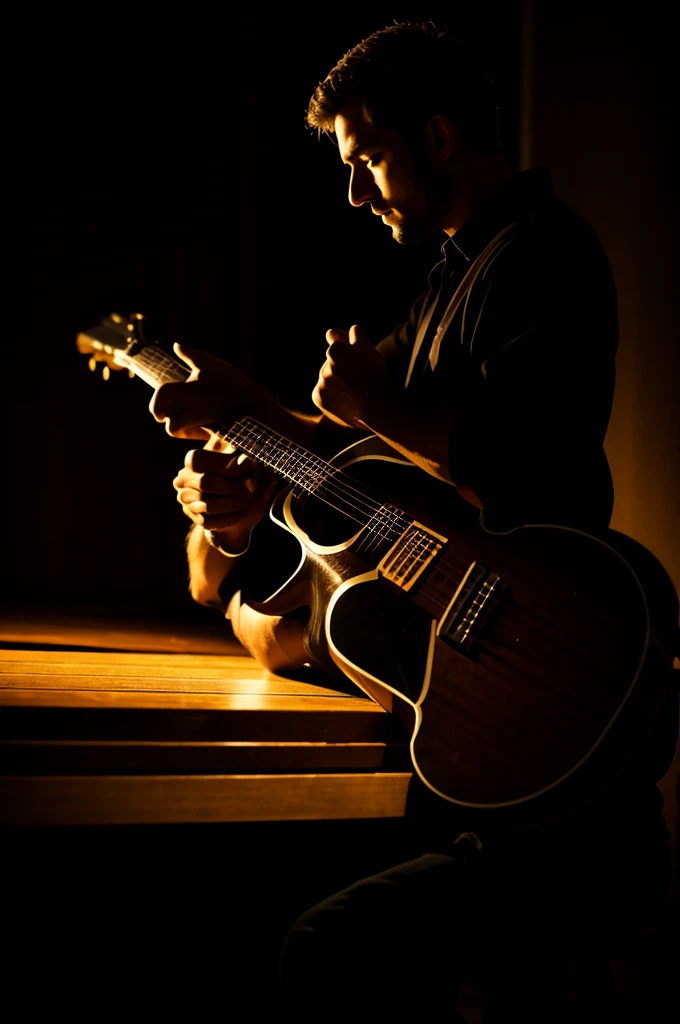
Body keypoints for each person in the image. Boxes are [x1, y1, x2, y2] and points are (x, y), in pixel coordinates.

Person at [150, 22, 677, 1018]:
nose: (355, 193)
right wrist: (239, 416)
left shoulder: (544, 255)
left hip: (555, 777)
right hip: (469, 740)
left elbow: (525, 470)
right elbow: (348, 457)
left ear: (437, 139)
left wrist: (364, 409)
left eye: (369, 160)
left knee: (317, 947)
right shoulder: (447, 277)